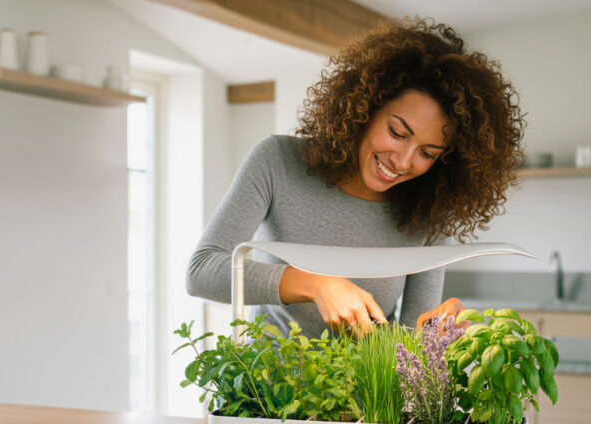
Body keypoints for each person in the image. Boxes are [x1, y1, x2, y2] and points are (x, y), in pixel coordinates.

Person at [187, 18, 525, 339]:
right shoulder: (277, 161)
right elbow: (202, 271)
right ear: (365, 106)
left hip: (368, 400)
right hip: (268, 393)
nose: (403, 162)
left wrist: (440, 331)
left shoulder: (429, 209)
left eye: (427, 153)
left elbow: (410, 340)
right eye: (396, 132)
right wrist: (316, 284)